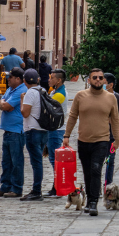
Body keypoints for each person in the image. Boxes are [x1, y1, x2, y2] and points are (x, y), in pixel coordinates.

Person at [62, 68, 119, 217]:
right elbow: (73, 116)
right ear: (89, 80)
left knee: (96, 169)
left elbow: (115, 119)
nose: (98, 80)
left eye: (100, 78)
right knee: (87, 172)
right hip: (83, 140)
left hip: (102, 140)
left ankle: (93, 201)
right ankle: (88, 200)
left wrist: (117, 139)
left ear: (104, 81)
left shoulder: (110, 98)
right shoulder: (80, 96)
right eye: (94, 77)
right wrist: (66, 135)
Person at [0, 67, 27, 198]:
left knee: (16, 161)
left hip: (16, 131)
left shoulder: (21, 91)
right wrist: (3, 103)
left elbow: (6, 106)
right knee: (6, 161)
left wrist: (3, 104)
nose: (8, 79)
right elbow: (0, 102)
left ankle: (17, 188)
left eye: (10, 77)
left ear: (18, 79)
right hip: (8, 130)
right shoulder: (10, 89)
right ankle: (5, 186)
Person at [19, 69, 47, 201]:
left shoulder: (30, 93)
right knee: (38, 161)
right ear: (38, 79)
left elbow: (25, 113)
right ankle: (37, 189)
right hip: (43, 129)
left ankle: (36, 190)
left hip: (32, 130)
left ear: (24, 81)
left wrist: (22, 100)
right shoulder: (43, 91)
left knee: (36, 163)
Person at [102, 73, 119, 187]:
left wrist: (115, 119)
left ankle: (108, 184)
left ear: (110, 85)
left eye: (103, 82)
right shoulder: (97, 97)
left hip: (112, 134)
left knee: (110, 160)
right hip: (98, 133)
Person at [44, 69, 68, 197]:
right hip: (54, 129)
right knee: (54, 159)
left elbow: (47, 109)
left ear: (58, 80)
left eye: (52, 77)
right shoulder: (55, 91)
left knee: (55, 160)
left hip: (56, 130)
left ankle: (57, 187)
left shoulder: (59, 94)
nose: (49, 79)